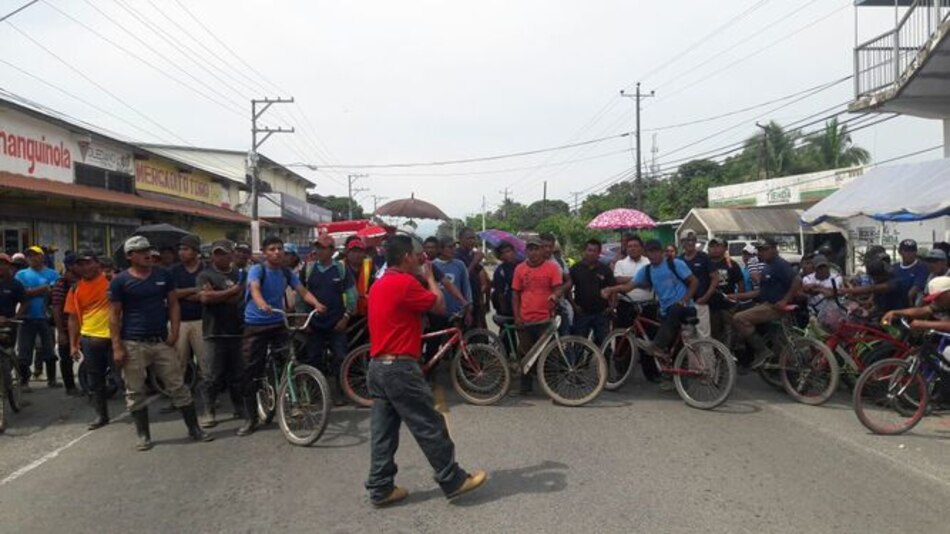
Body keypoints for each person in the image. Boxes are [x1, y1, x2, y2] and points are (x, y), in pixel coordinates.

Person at [364, 234, 486, 507]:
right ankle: (452, 479)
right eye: (417, 255)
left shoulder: (381, 283)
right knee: (430, 424)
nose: (421, 259)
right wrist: (430, 278)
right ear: (406, 256)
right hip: (399, 368)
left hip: (378, 366)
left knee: (383, 431)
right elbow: (440, 306)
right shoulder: (405, 282)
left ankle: (381, 486)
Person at [109, 236, 212, 451]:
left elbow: (173, 304)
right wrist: (117, 346)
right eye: (140, 251)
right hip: (133, 342)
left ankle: (194, 429)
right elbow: (114, 315)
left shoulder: (163, 275)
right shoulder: (120, 281)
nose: (147, 254)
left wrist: (174, 332)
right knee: (135, 391)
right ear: (130, 256)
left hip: (160, 341)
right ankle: (143, 434)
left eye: (148, 249)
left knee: (178, 386)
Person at [238, 235, 326, 437]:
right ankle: (250, 418)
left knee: (290, 360)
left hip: (278, 322)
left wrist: (317, 304)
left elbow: (302, 291)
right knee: (251, 372)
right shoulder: (257, 270)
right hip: (256, 325)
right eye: (272, 249)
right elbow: (255, 289)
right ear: (265, 252)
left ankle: (292, 399)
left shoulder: (286, 272)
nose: (277, 252)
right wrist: (260, 303)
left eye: (279, 249)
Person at [603, 240, 699, 374]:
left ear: (662, 252)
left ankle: (657, 347)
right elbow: (629, 286)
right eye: (650, 252)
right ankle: (672, 376)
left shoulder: (675, 264)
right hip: (666, 312)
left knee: (674, 310)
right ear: (646, 253)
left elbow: (694, 281)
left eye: (656, 251)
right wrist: (611, 289)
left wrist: (685, 299)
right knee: (672, 346)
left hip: (683, 308)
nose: (653, 255)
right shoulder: (647, 270)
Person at [196, 240, 246, 428]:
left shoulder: (238, 274)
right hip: (213, 332)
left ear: (231, 254)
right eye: (216, 253)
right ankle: (209, 410)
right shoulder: (205, 275)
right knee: (211, 375)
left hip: (236, 330)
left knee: (238, 374)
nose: (219, 256)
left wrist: (220, 294)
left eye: (223, 253)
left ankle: (239, 406)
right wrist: (230, 291)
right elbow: (205, 297)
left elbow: (239, 298)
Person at [730, 237, 800, 369]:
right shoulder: (768, 266)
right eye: (760, 250)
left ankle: (762, 352)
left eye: (765, 249)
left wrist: (784, 300)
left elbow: (797, 280)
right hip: (766, 304)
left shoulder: (780, 264)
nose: (761, 252)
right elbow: (759, 292)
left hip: (774, 307)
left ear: (774, 249)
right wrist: (736, 296)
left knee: (738, 319)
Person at [302, 234, 355, 404]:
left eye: (322, 247)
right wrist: (305, 320)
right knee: (313, 358)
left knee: (340, 357)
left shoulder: (341, 269)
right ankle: (315, 392)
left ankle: (340, 392)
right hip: (314, 323)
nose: (318, 250)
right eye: (317, 247)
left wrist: (346, 317)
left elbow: (351, 294)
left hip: (336, 323)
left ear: (332, 251)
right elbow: (300, 294)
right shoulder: (308, 268)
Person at [65, 250, 112, 430]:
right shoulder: (75, 289)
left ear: (97, 264)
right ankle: (101, 415)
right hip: (90, 339)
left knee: (124, 378)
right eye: (80, 264)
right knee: (95, 380)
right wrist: (73, 344)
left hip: (115, 338)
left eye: (88, 262)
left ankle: (137, 411)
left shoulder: (111, 282)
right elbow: (73, 318)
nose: (84, 267)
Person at [512, 236, 565, 395]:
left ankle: (553, 388)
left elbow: (559, 288)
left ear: (543, 250)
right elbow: (515, 294)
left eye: (536, 249)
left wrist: (555, 296)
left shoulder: (552, 268)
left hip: (545, 318)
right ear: (526, 251)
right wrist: (517, 317)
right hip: (526, 318)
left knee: (550, 353)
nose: (533, 252)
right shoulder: (520, 269)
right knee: (525, 352)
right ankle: (525, 387)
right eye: (530, 249)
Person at [169, 235, 205, 413]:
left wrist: (190, 295)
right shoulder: (174, 271)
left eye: (186, 249)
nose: (181, 252)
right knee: (178, 362)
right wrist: (195, 291)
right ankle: (179, 399)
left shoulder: (206, 269)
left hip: (202, 320)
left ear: (196, 252)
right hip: (180, 321)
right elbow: (172, 294)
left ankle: (209, 400)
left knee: (205, 362)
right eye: (180, 249)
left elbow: (208, 293)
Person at [15, 245, 59, 389]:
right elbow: (22, 294)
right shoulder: (21, 274)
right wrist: (44, 288)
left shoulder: (53, 273)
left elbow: (55, 294)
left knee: (49, 350)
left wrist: (32, 291)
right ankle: (24, 382)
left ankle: (52, 380)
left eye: (35, 255)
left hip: (46, 318)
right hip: (26, 318)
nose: (32, 258)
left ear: (42, 256)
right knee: (24, 351)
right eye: (29, 255)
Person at [569, 239, 615, 346]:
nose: (592, 253)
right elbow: (568, 289)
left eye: (595, 251)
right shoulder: (575, 269)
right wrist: (574, 305)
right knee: (579, 345)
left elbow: (613, 288)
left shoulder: (605, 269)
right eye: (589, 250)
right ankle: (581, 363)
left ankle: (604, 363)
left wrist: (612, 306)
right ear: (584, 251)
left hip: (602, 313)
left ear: (599, 253)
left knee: (604, 345)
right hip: (582, 313)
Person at [678, 230, 719, 340]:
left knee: (704, 337)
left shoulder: (703, 257)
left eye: (692, 240)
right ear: (682, 242)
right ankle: (692, 358)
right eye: (687, 240)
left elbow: (715, 278)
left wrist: (706, 297)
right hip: (686, 304)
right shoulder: (679, 260)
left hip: (701, 302)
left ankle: (707, 358)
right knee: (688, 338)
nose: (690, 243)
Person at [706, 238, 746, 344]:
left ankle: (729, 355)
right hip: (710, 305)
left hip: (728, 306)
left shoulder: (732, 264)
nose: (714, 249)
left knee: (729, 332)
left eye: (718, 246)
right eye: (712, 246)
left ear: (725, 248)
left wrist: (737, 300)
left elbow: (741, 284)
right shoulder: (705, 263)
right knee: (713, 333)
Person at [50, 252, 79, 394]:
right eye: (77, 264)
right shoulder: (61, 284)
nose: (80, 267)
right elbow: (56, 308)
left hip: (85, 327)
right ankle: (70, 387)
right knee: (66, 358)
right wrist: (61, 332)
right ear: (69, 266)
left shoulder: (83, 281)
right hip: (66, 327)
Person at [883, 276, 950, 333]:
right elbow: (924, 310)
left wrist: (925, 324)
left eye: (938, 297)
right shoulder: (941, 302)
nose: (935, 300)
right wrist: (896, 312)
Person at [540, 232, 572, 335]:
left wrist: (560, 290)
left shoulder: (559, 261)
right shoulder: (532, 262)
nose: (548, 249)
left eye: (550, 246)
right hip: (539, 309)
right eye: (544, 246)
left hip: (559, 306)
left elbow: (569, 280)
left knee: (563, 339)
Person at [456, 228, 487, 328]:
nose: (472, 241)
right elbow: (464, 276)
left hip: (476, 300)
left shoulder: (471, 254)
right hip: (464, 302)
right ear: (460, 239)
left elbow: (481, 275)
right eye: (469, 238)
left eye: (474, 238)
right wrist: (475, 261)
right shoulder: (457, 256)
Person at [893, 239, 929, 306]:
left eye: (912, 251)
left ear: (916, 252)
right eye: (906, 251)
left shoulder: (922, 267)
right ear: (900, 252)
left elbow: (915, 289)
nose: (909, 254)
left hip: (911, 306)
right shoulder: (894, 267)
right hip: (893, 304)